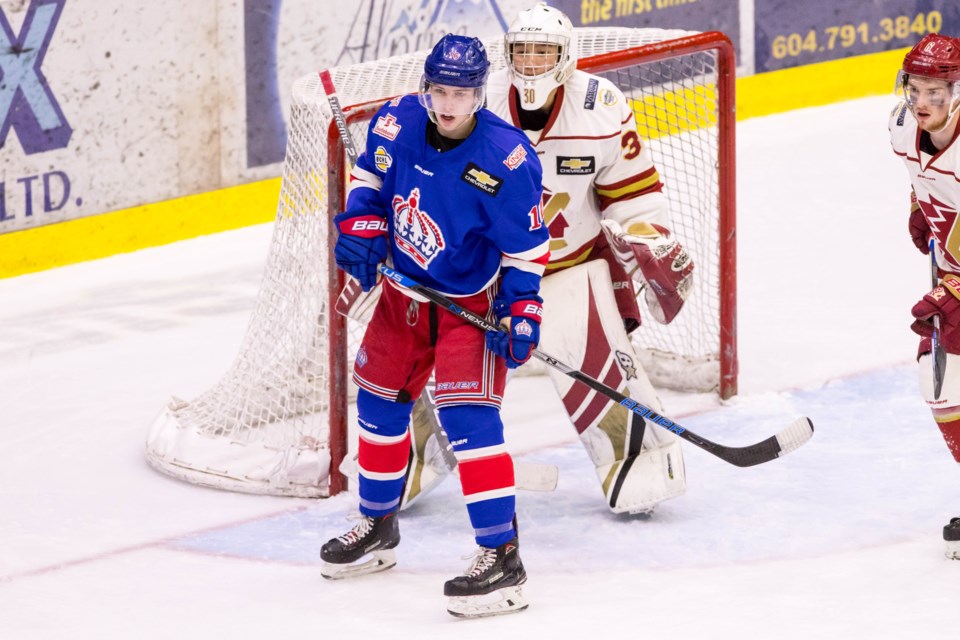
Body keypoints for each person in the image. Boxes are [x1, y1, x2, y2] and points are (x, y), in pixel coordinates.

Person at [398, 2, 694, 516]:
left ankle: (633, 456)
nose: (532, 63)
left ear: (567, 56)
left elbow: (635, 197)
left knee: (601, 374)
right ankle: (417, 453)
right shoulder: (474, 98)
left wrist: (643, 236)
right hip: (480, 276)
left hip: (567, 268)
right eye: (523, 51)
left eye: (544, 51)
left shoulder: (601, 107)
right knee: (450, 376)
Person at [320, 33, 549, 618]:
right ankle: (377, 527)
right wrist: (363, 227)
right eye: (440, 90)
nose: (448, 104)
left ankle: (502, 558)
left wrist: (522, 310)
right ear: (426, 87)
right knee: (377, 407)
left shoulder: (508, 158)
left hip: (471, 304)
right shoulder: (395, 122)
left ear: (480, 94)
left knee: (470, 420)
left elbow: (526, 250)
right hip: (403, 294)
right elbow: (369, 186)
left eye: (461, 93)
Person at [890, 32, 960, 560]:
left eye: (937, 92)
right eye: (916, 89)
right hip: (953, 272)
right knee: (940, 388)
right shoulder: (899, 128)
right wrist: (922, 204)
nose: (923, 103)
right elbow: (921, 175)